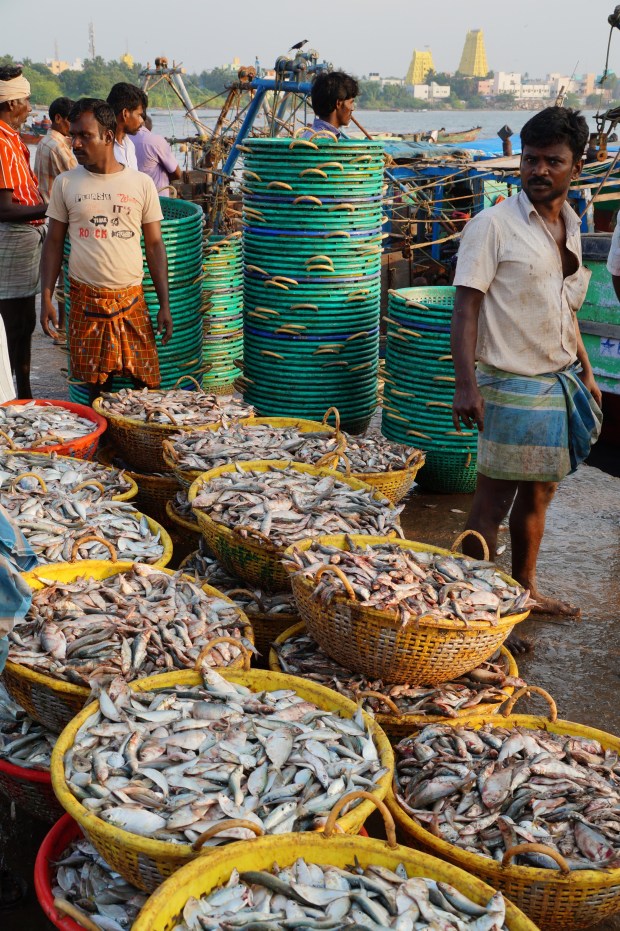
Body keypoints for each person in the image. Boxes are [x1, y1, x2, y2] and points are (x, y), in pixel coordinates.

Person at [451, 106, 602, 627]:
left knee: (540, 496)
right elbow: (466, 306)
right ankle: (475, 611)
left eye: (552, 161)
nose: (538, 170)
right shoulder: (491, 226)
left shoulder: (573, 224)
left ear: (575, 167)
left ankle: (524, 591)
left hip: (557, 383)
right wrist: (465, 386)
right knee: (490, 505)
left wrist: (585, 368)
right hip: (508, 385)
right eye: (530, 160)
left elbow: (565, 305)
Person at [39, 98, 173, 404]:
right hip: (85, 300)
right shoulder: (65, 183)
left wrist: (164, 305)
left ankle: (138, 444)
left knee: (145, 383)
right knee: (92, 385)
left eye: (85, 135)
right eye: (73, 135)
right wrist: (46, 297)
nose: (75, 143)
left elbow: (154, 245)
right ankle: (102, 445)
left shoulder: (140, 184)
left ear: (108, 136)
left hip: (132, 299)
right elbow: (54, 244)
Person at [0, 65, 47, 398]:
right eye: (26, 100)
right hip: (13, 238)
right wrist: (50, 208)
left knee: (24, 322)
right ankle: (14, 395)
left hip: (25, 239)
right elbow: (3, 208)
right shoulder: (1, 142)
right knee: (12, 324)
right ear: (12, 103)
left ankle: (24, 392)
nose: (30, 107)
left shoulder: (12, 137)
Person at [34, 95, 77, 341]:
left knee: (60, 272)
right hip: (58, 213)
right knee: (66, 273)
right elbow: (78, 175)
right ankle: (63, 327)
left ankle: (61, 326)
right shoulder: (58, 145)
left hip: (49, 213)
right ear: (59, 119)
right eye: (70, 121)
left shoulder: (43, 142)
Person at [133, 113, 181, 193]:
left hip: (134, 196)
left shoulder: (124, 139)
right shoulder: (156, 140)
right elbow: (177, 174)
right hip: (158, 197)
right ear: (149, 128)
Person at [106, 82, 147, 170]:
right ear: (125, 114)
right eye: (138, 115)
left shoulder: (129, 145)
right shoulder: (103, 146)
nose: (141, 121)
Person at [308, 71, 359, 138]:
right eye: (351, 103)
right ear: (338, 103)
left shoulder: (309, 134)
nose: (352, 108)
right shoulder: (323, 140)